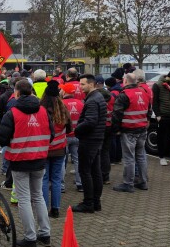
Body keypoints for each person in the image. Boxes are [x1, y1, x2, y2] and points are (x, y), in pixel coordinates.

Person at [0, 79, 53, 247]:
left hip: (20, 161)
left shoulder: (12, 113)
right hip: (40, 159)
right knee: (38, 196)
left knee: (24, 199)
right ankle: (45, 233)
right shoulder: (43, 110)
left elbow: (1, 138)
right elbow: (52, 133)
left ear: (17, 92)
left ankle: (30, 237)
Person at [72, 74, 106, 213]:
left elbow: (90, 121)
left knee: (85, 172)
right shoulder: (98, 97)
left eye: (83, 84)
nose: (80, 87)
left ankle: (88, 203)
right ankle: (95, 202)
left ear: (91, 84)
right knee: (95, 171)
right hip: (96, 139)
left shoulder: (92, 100)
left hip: (89, 140)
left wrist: (77, 129)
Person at [112, 73, 151, 192]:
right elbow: (149, 109)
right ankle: (143, 182)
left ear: (126, 81)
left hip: (129, 130)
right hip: (142, 129)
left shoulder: (124, 95)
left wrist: (116, 129)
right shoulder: (144, 92)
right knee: (141, 156)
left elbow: (117, 114)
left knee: (129, 157)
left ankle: (128, 184)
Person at [40, 81, 71, 218]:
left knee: (44, 180)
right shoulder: (63, 108)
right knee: (57, 179)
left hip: (45, 150)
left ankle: (44, 209)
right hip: (60, 149)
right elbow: (69, 128)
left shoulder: (41, 111)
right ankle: (56, 209)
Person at [152, 69, 170, 166]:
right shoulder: (157, 85)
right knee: (162, 137)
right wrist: (158, 114)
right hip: (162, 116)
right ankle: (161, 157)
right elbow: (154, 102)